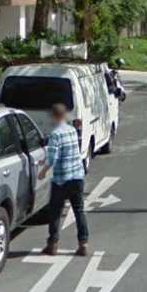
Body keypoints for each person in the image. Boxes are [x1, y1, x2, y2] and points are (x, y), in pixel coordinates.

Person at [39, 102, 90, 256]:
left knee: (55, 211)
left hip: (62, 179)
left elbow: (52, 158)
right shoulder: (72, 130)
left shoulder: (56, 134)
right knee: (79, 210)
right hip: (77, 176)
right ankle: (83, 243)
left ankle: (53, 244)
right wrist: (45, 160)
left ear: (55, 116)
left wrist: (43, 171)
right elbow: (68, 151)